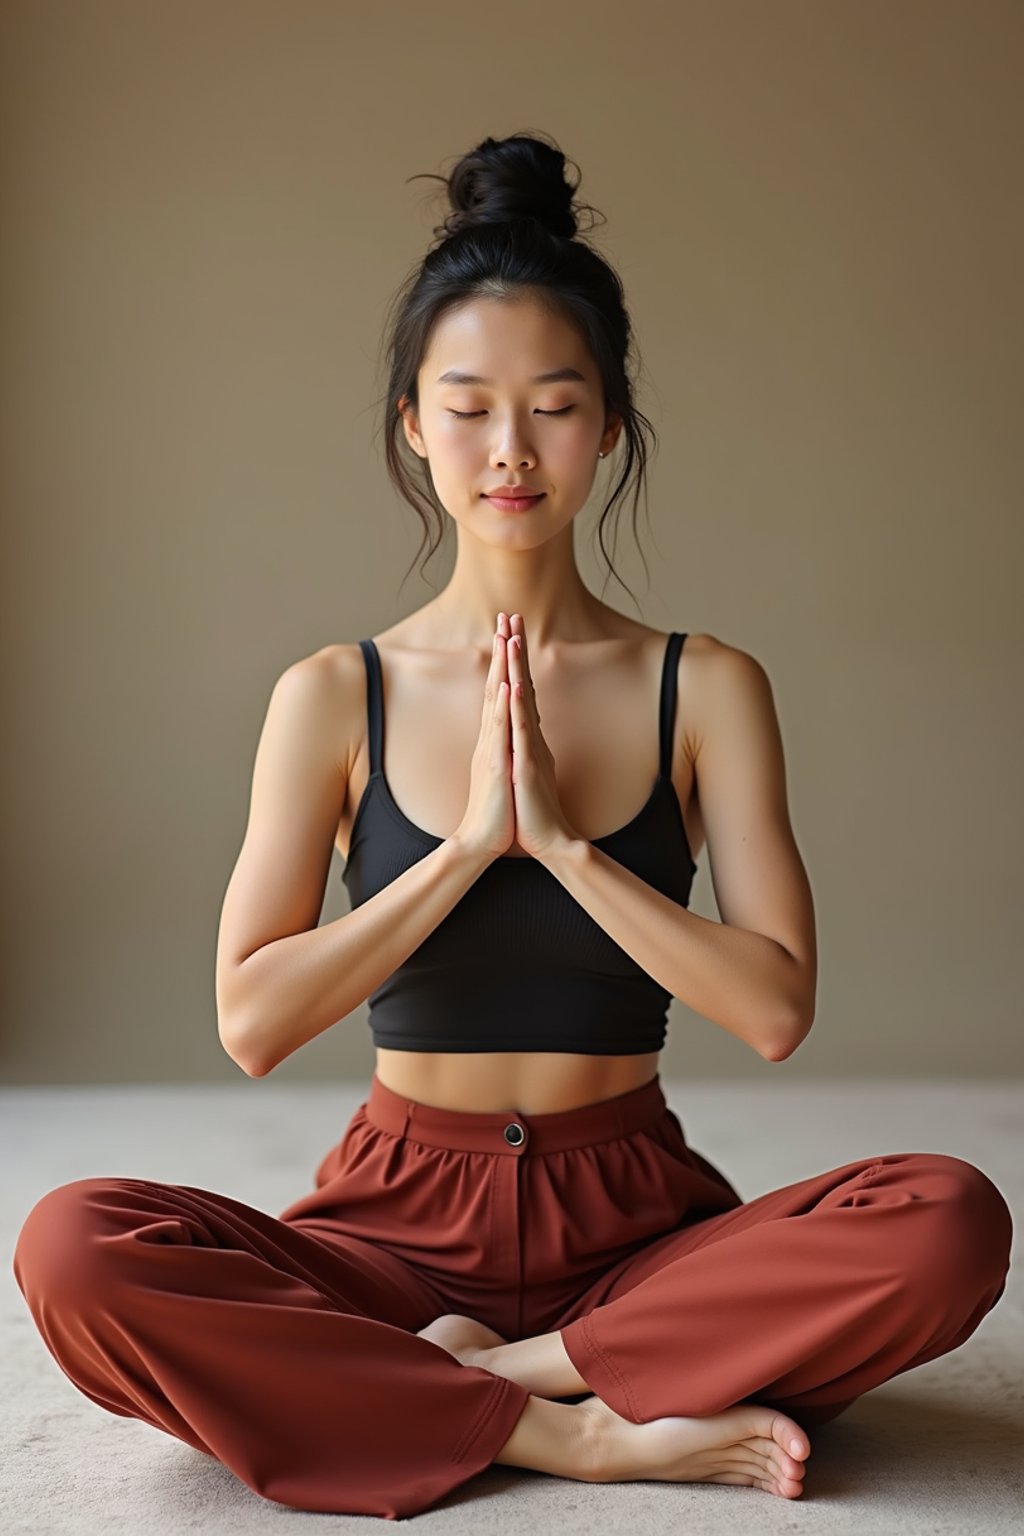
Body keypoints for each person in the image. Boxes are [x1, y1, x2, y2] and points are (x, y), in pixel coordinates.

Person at [12, 131, 1012, 1521]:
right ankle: (586, 1432)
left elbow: (776, 1007)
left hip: (641, 1228)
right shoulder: (333, 695)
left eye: (551, 406)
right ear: (413, 423)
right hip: (390, 1235)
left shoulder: (703, 686)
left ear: (607, 423)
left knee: (951, 1217)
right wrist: (470, 848)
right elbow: (251, 1021)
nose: (509, 450)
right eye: (468, 407)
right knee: (73, 1247)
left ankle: (506, 1374)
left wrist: (573, 852)